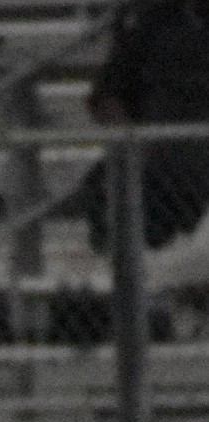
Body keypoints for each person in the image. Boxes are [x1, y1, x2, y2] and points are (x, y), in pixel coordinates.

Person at [82, 0, 209, 287]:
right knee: (102, 185)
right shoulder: (155, 21)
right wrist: (132, 143)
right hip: (163, 161)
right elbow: (106, 95)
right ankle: (134, 292)